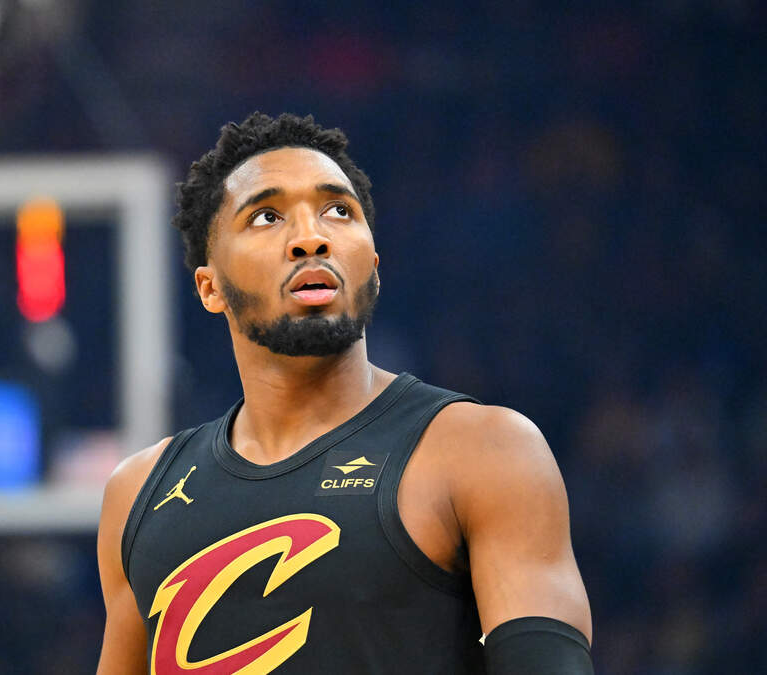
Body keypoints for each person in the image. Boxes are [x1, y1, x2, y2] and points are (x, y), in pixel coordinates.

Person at [96, 112, 593, 674]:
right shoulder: (137, 493)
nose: (311, 238)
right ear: (211, 288)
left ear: (373, 269)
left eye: (338, 211)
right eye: (266, 216)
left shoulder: (485, 449)